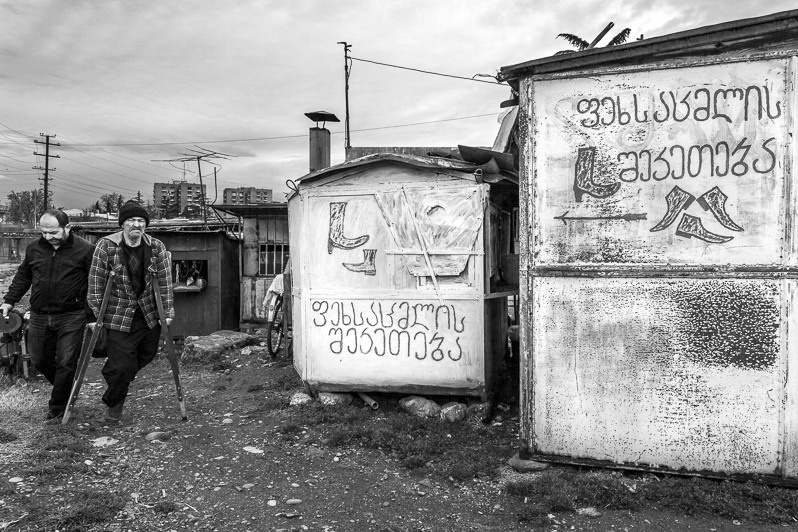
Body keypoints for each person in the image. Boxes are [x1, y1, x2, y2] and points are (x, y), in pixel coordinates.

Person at [1, 209, 95, 419]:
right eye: (44, 232)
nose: (48, 237)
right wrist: (9, 301)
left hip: (72, 315)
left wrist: (91, 314)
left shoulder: (86, 250)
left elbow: (94, 284)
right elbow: (23, 276)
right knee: (39, 359)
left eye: (53, 232)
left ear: (67, 228)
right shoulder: (34, 248)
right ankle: (67, 388)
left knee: (66, 361)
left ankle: (58, 408)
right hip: (39, 315)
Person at [88, 200, 174, 424]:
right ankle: (114, 407)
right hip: (118, 314)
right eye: (131, 221)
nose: (137, 225)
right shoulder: (106, 246)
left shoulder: (156, 247)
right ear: (122, 224)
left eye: (141, 221)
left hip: (147, 313)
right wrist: (98, 313)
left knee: (147, 355)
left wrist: (167, 311)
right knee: (125, 365)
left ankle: (113, 374)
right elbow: (96, 283)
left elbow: (164, 282)